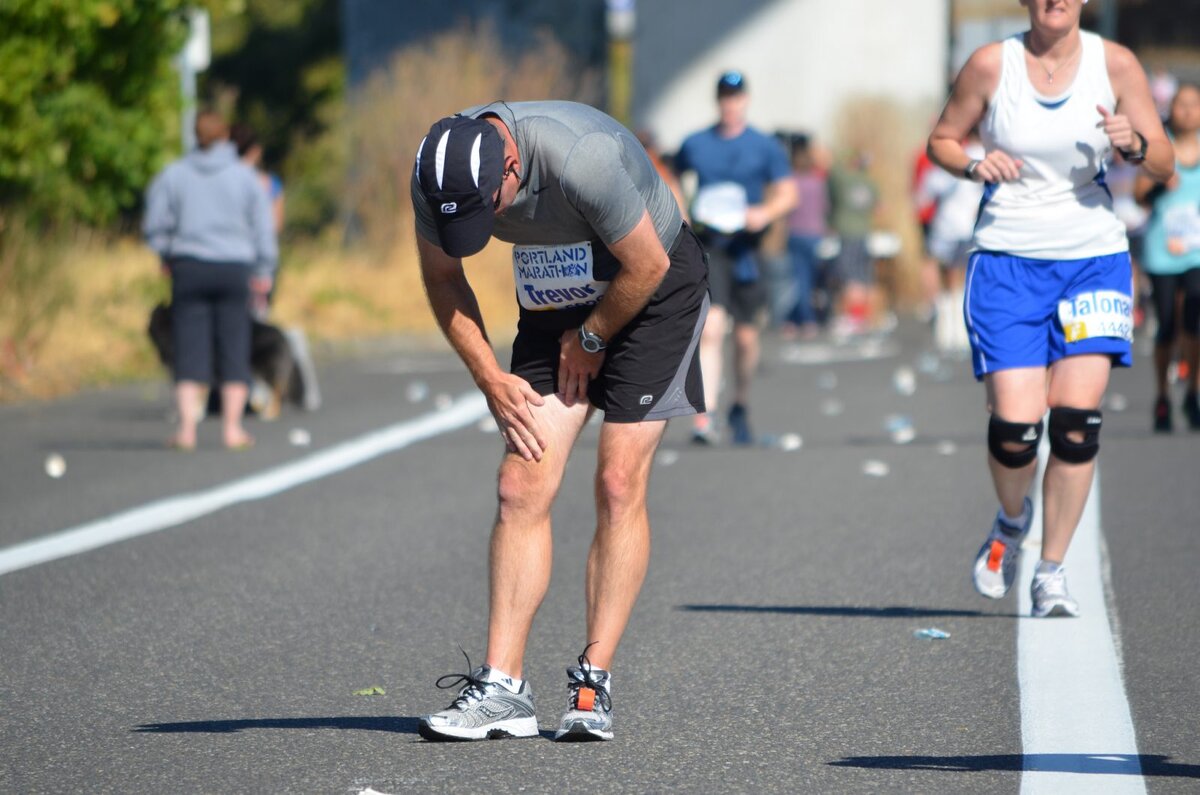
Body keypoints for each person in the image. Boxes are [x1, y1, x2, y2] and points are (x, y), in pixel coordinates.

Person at [410, 101, 707, 741]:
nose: (485, 226)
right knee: (521, 483)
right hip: (554, 298)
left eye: (491, 211)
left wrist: (594, 339)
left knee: (617, 482)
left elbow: (649, 265)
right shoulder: (438, 171)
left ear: (511, 167)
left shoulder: (580, 158)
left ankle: (593, 680)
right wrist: (490, 376)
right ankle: (503, 689)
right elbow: (442, 275)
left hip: (652, 289)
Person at [928, 0, 1173, 617]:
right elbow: (941, 140)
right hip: (1008, 259)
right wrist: (973, 161)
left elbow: (1165, 160)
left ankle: (1052, 571)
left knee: (1074, 422)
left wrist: (1136, 142)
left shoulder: (1114, 64)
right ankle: (1013, 522)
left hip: (1094, 259)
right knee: (1015, 428)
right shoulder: (991, 65)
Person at [143, 110, 278, 450]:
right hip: (235, 268)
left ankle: (187, 430)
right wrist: (264, 270)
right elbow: (263, 229)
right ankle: (232, 430)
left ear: (196, 136)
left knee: (189, 346)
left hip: (189, 267)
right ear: (225, 137)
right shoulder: (244, 177)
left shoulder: (174, 174)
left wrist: (167, 254)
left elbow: (154, 225)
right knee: (234, 345)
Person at [675, 71, 796, 445]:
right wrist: (681, 211)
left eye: (736, 96)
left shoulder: (764, 146)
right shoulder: (696, 143)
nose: (731, 103)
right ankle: (704, 415)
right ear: (718, 101)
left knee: (745, 337)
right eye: (725, 97)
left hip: (747, 247)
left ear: (746, 99)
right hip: (710, 245)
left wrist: (765, 212)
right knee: (710, 328)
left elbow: (788, 193)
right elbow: (671, 176)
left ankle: (739, 402)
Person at [1135, 83, 1200, 431]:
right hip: (1163, 250)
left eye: (1194, 104)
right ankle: (1162, 396)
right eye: (1182, 105)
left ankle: (1193, 391)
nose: (1188, 111)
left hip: (1197, 252)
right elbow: (1139, 197)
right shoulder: (1161, 150)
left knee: (1195, 315)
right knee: (1168, 327)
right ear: (1171, 110)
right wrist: (1163, 184)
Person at [923, 129, 986, 354]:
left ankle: (950, 330)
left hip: (950, 227)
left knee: (950, 277)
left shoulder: (959, 155)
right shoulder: (990, 154)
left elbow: (929, 188)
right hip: (975, 225)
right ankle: (960, 331)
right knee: (965, 279)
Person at [826, 148, 879, 336]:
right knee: (864, 277)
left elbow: (832, 171)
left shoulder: (843, 179)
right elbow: (879, 208)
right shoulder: (869, 182)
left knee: (850, 278)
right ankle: (864, 318)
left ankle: (854, 319)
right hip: (864, 232)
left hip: (847, 232)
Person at [782, 134, 828, 339]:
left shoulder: (791, 181)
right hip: (815, 234)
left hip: (796, 233)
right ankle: (802, 319)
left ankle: (802, 319)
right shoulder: (817, 183)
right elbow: (824, 208)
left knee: (800, 280)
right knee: (811, 280)